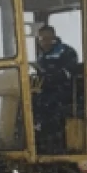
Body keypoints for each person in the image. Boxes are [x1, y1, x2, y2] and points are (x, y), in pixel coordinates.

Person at [33, 25, 80, 154]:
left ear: (54, 38)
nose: (45, 42)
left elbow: (68, 73)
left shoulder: (66, 52)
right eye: (42, 39)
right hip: (47, 92)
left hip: (65, 93)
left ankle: (53, 144)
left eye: (48, 38)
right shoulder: (41, 56)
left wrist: (49, 77)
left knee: (48, 107)